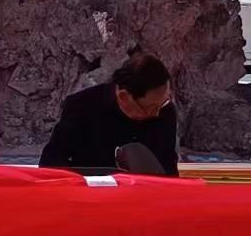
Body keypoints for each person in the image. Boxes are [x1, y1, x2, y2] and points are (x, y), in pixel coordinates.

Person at [38, 52, 179, 175]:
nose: (156, 114)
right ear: (124, 96)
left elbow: (168, 168)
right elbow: (52, 162)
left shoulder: (165, 112)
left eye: (162, 103)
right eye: (150, 108)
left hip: (144, 193)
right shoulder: (81, 107)